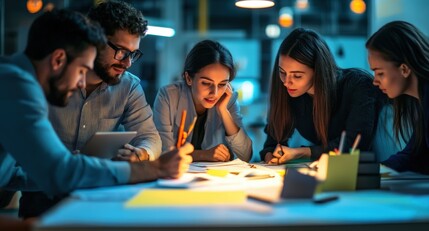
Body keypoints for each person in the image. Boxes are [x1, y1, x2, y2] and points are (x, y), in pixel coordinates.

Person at [0, 9, 192, 201]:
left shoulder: (16, 79)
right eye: (82, 70)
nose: (81, 84)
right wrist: (155, 168)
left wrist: (79, 166)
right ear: (58, 59)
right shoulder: (17, 85)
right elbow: (59, 172)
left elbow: (12, 176)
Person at [19, 0, 162, 218]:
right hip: (42, 193)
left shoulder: (128, 85)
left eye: (133, 54)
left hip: (98, 190)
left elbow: (150, 138)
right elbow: (19, 170)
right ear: (95, 41)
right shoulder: (33, 85)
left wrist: (140, 155)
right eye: (121, 51)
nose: (128, 63)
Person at [260, 28, 378, 164]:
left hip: (358, 171)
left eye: (297, 75)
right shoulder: (288, 90)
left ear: (318, 71)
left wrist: (303, 152)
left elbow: (356, 144)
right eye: (282, 72)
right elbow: (273, 142)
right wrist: (271, 156)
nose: (287, 82)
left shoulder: (358, 85)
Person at [153, 40, 252, 162]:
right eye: (206, 83)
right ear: (189, 78)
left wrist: (223, 111)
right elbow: (163, 152)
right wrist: (203, 155)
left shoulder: (228, 98)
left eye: (222, 84)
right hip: (174, 175)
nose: (214, 93)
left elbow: (246, 155)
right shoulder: (168, 96)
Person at [366, 21, 429, 174]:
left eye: (380, 73)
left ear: (404, 69)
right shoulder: (422, 101)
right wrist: (366, 172)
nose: (375, 81)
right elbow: (413, 155)